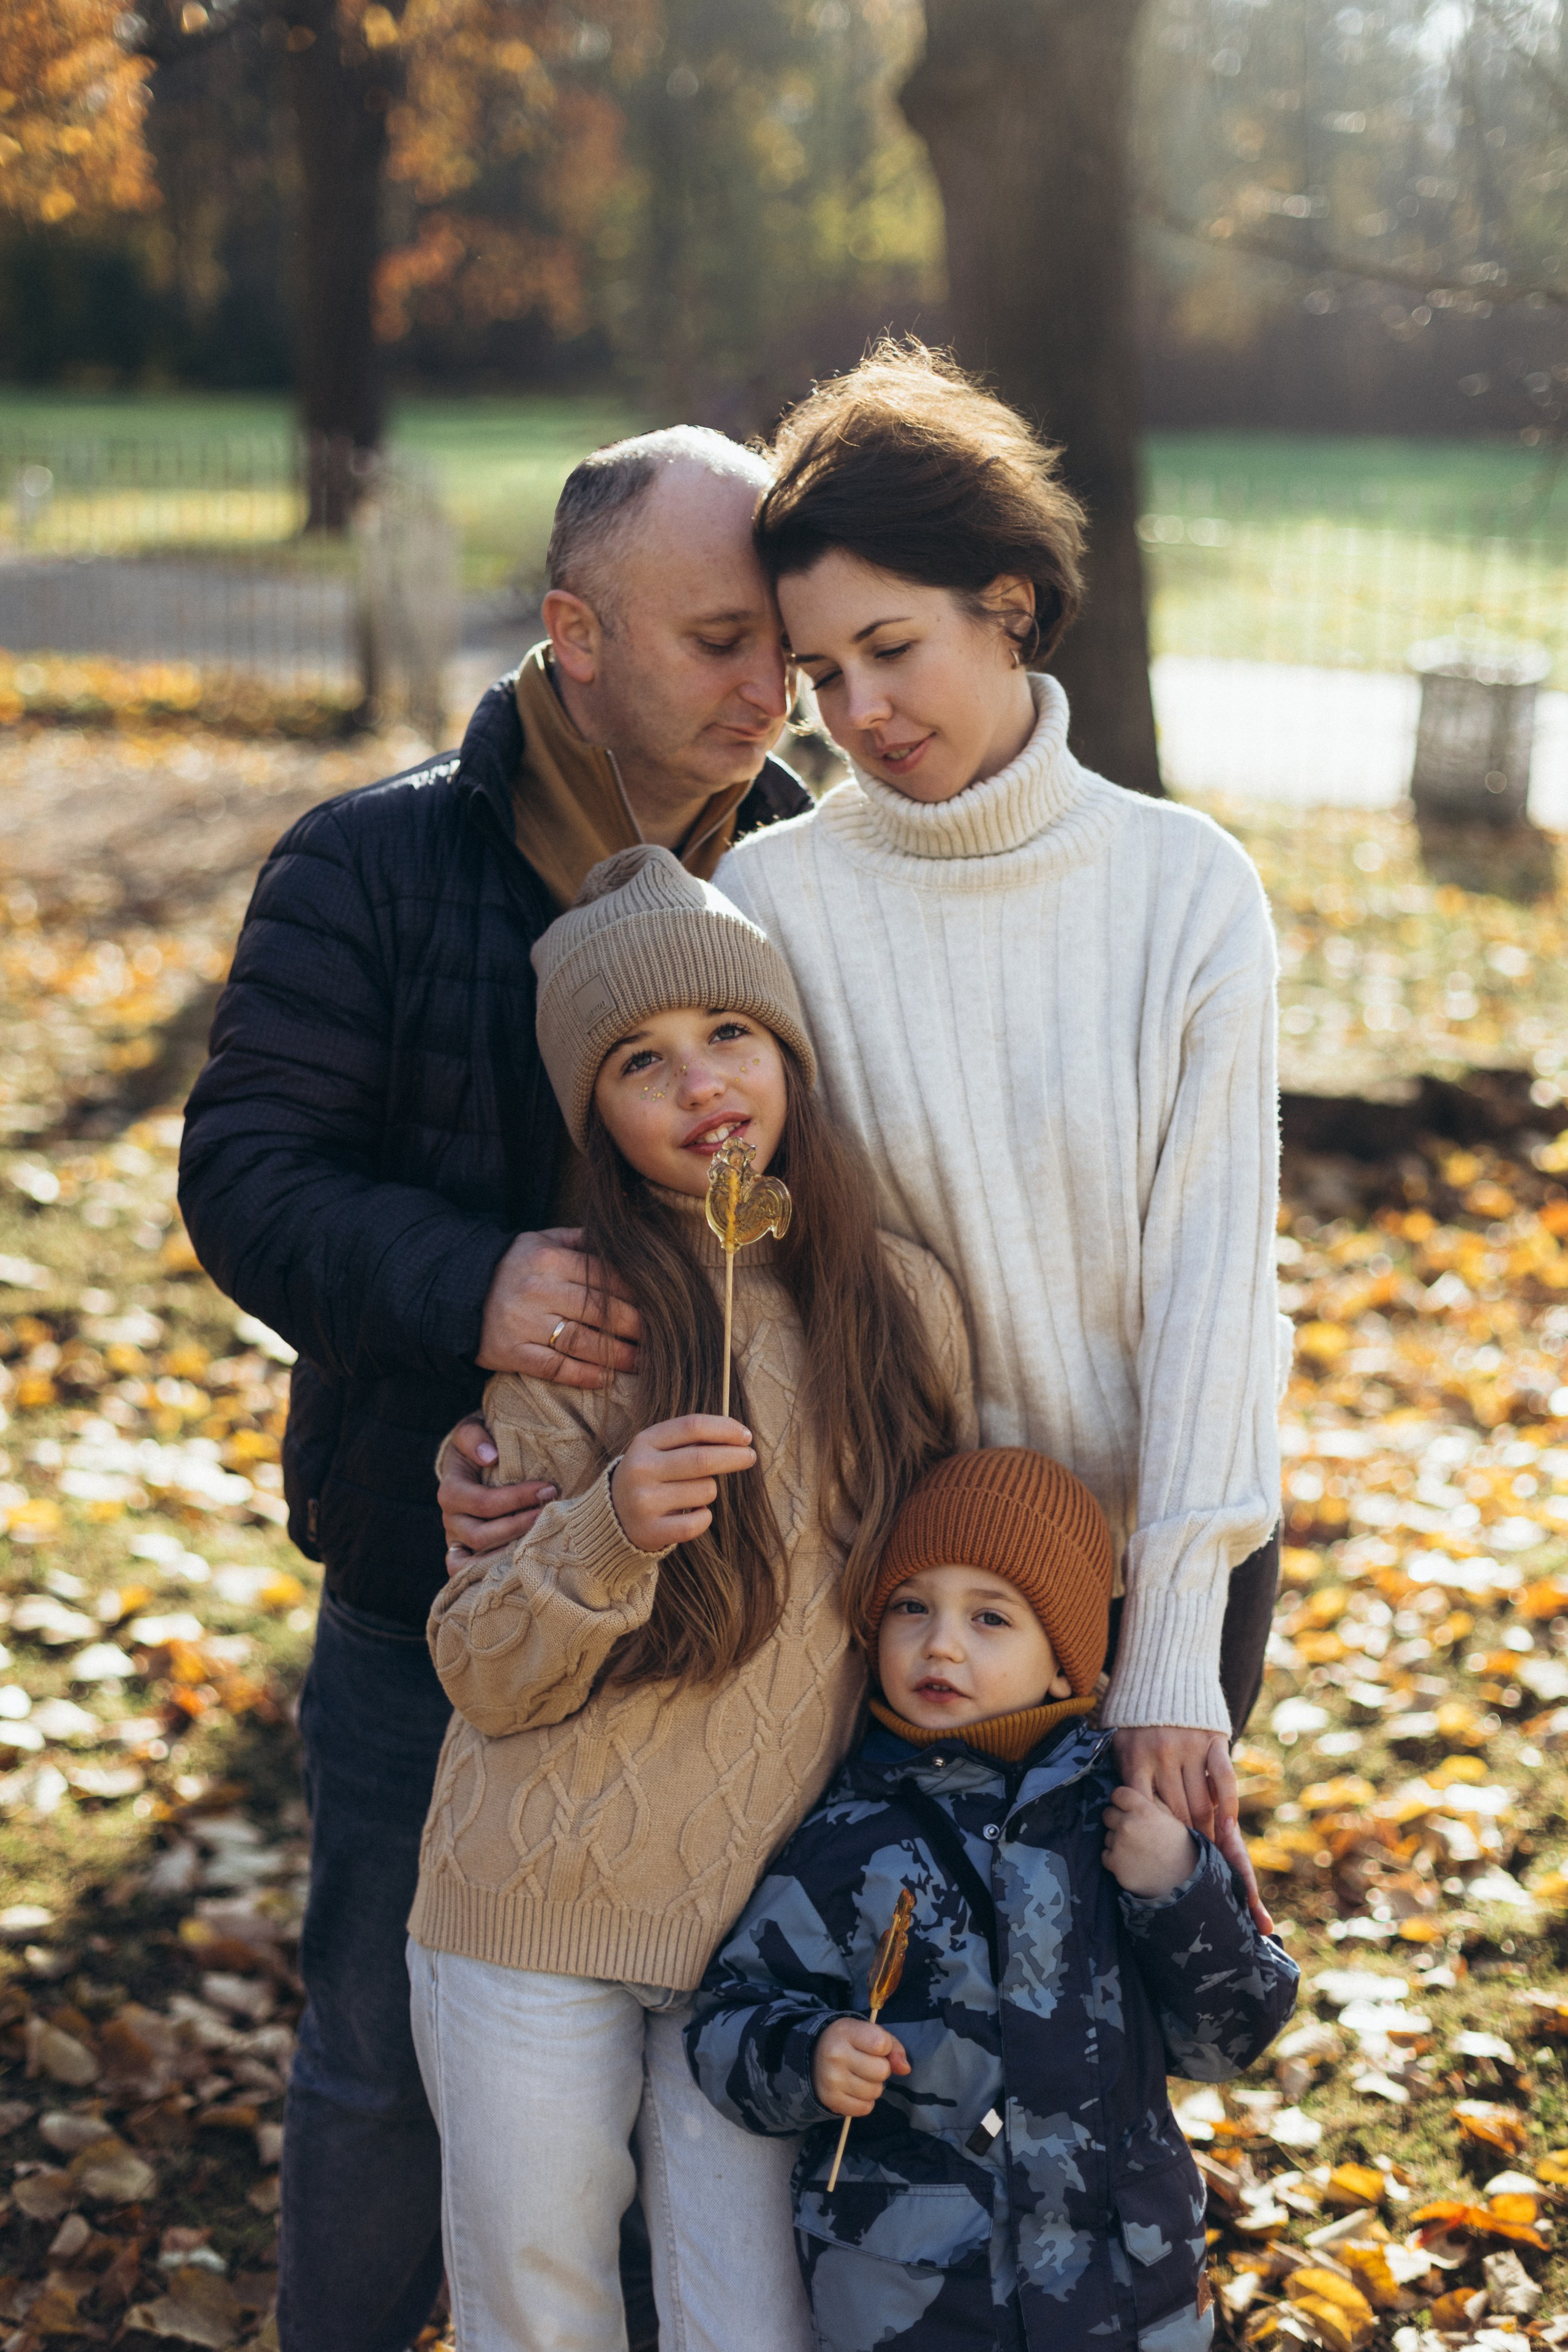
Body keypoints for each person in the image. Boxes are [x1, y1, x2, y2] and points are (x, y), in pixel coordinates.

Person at [442, 345, 1287, 1901]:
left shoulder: (1185, 890)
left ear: (1008, 605)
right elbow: (697, 1225)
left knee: (1111, 2033)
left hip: (1152, 1557)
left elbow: (1218, 1286)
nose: (856, 711)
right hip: (891, 1577)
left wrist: (1168, 1653)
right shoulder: (775, 896)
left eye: (891, 649)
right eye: (819, 674)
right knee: (890, 2040)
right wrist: (532, 1449)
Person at [176, 426, 814, 2352]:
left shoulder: (810, 872)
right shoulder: (369, 860)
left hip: (736, 1624)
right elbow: (245, 1175)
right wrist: (477, 1290)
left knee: (692, 2091)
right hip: (426, 1579)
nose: (768, 688)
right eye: (717, 640)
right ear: (574, 633)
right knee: (381, 2057)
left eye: (777, 640)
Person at [408, 844, 976, 2352]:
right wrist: (606, 1527)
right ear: (593, 1112)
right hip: (535, 1895)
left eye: (729, 1033)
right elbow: (481, 1671)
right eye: (640, 1062)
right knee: (545, 2299)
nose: (700, 1083)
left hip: (770, 1942)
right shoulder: (580, 1316)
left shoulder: (900, 1304)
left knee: (750, 2318)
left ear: (787, 1049)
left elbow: (939, 1596)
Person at [687, 1447, 1299, 2352]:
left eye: (990, 1617)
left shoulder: (1123, 1823)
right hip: (926, 2298)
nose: (941, 1643)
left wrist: (1178, 1887)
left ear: (1065, 1663)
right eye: (912, 1607)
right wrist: (810, 2051)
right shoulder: (846, 1838)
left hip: (1130, 2290)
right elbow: (725, 2019)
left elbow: (1232, 2036)